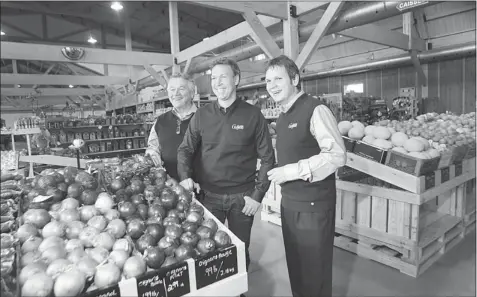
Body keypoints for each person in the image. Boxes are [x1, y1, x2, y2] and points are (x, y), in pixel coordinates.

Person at [177, 58, 275, 271]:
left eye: (223, 77)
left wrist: (258, 196)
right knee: (207, 252)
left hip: (242, 199)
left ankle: (239, 289)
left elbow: (268, 158)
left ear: (236, 79)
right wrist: (185, 176)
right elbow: (186, 149)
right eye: (213, 78)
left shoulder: (253, 115)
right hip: (208, 197)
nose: (217, 83)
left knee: (240, 251)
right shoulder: (202, 115)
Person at [265, 55, 346, 297]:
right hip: (290, 205)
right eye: (268, 81)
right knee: (298, 272)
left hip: (313, 207)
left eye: (278, 79)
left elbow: (336, 155)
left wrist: (290, 171)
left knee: (314, 275)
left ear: (295, 78)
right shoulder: (282, 117)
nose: (272, 86)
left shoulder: (315, 109)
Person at [145, 73, 198, 181]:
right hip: (169, 188)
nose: (175, 93)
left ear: (192, 93)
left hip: (200, 186)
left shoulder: (204, 118)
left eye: (181, 89)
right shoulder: (160, 121)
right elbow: (153, 147)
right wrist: (152, 155)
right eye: (172, 89)